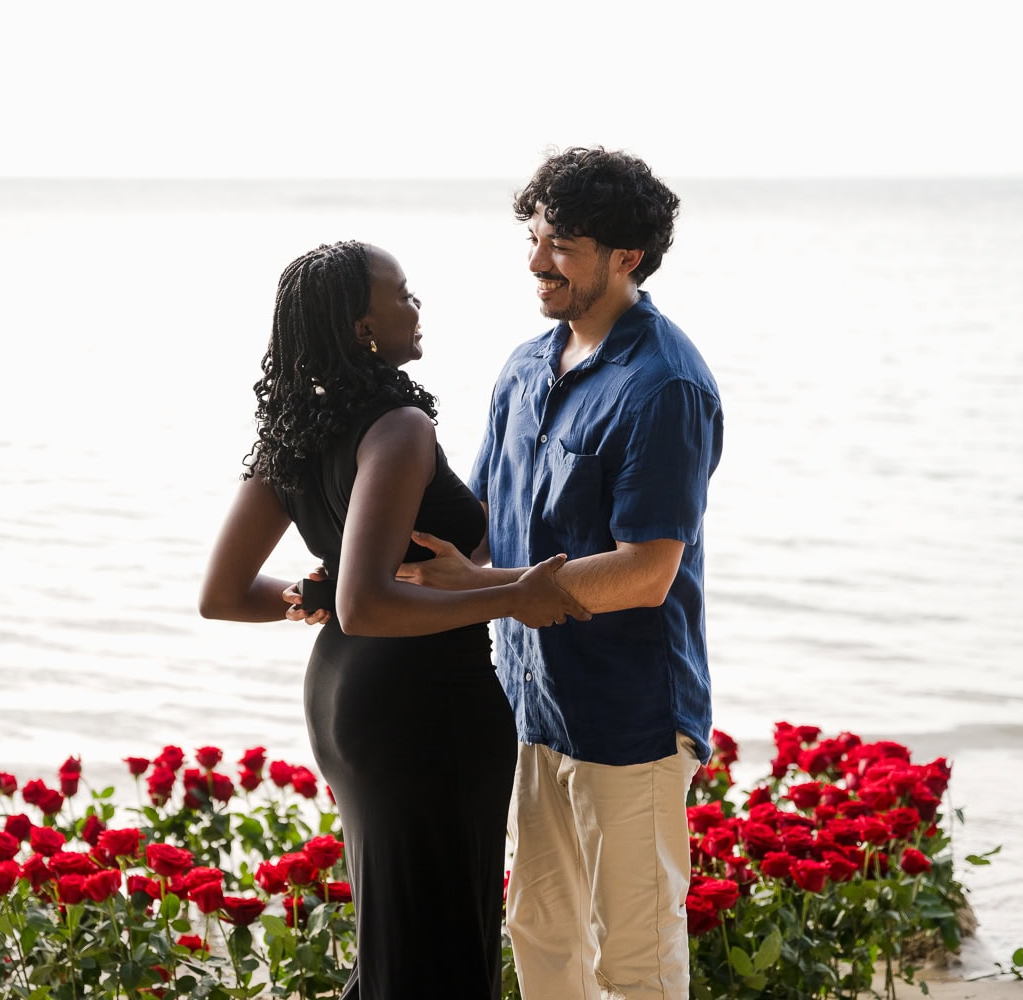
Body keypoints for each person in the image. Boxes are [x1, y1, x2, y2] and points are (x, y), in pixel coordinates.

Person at [198, 240, 588, 1000]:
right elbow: (368, 602)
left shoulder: (296, 431)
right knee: (432, 952)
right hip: (422, 704)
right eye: (401, 293)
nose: (416, 305)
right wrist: (513, 597)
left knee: (403, 944)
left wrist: (307, 598)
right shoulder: (398, 426)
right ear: (359, 327)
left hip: (347, 696)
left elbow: (226, 593)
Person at [396, 147, 724, 999]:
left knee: (636, 961)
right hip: (534, 702)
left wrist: (493, 591)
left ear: (628, 258)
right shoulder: (524, 367)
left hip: (632, 721)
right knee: (539, 932)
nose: (538, 261)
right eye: (536, 238)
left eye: (563, 245)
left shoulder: (665, 387)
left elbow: (647, 573)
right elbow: (477, 531)